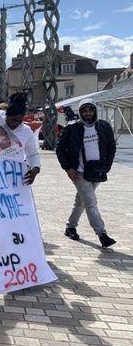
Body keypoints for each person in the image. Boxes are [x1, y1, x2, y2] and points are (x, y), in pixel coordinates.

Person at [56, 98, 117, 248]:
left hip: (98, 172)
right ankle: (102, 234)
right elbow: (60, 149)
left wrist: (107, 165)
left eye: (90, 110)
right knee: (91, 202)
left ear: (95, 111)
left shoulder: (104, 127)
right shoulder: (72, 128)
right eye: (84, 110)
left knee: (82, 201)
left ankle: (70, 227)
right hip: (79, 172)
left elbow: (111, 146)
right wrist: (68, 168)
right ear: (80, 112)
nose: (88, 113)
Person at [0, 93, 40, 185]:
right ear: (7, 116)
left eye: (20, 121)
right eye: (13, 120)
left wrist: (35, 168)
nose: (16, 123)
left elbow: (32, 154)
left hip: (15, 178)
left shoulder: (26, 131)